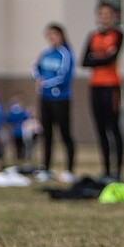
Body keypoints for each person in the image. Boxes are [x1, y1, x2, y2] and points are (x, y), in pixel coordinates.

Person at [82, 2, 124, 181]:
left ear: (113, 16)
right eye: (101, 14)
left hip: (111, 86)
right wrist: (102, 57)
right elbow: (84, 61)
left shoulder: (118, 35)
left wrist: (97, 57)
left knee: (113, 128)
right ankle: (106, 169)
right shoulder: (93, 36)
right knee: (100, 129)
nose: (104, 17)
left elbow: (111, 59)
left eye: (108, 14)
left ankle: (118, 171)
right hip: (95, 86)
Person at [32, 22, 75, 180]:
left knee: (65, 134)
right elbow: (35, 68)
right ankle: (46, 168)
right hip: (45, 98)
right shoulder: (46, 54)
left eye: (54, 34)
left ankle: (69, 170)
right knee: (46, 134)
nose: (52, 38)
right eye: (49, 35)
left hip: (61, 99)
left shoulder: (66, 53)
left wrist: (46, 83)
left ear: (61, 35)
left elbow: (64, 76)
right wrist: (38, 79)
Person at [5, 94, 31, 163]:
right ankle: (19, 157)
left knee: (19, 145)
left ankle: (20, 157)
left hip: (20, 130)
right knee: (19, 145)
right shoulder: (18, 110)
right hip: (17, 130)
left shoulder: (20, 110)